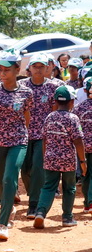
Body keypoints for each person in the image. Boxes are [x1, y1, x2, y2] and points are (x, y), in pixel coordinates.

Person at [0, 53, 33, 241]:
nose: (2, 73)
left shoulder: (26, 92)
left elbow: (26, 117)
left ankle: (2, 223)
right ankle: (8, 205)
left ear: (17, 70)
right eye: (0, 70)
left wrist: (24, 135)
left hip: (18, 140)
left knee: (9, 177)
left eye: (7, 70)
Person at [34, 85, 86, 228]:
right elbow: (78, 140)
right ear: (71, 102)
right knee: (69, 188)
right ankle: (67, 218)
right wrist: (83, 160)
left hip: (51, 158)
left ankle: (40, 213)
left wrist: (46, 157)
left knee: (48, 186)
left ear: (56, 101)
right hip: (68, 159)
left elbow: (44, 139)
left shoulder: (49, 117)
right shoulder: (73, 118)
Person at [21, 53, 60, 218]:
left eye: (41, 66)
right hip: (21, 133)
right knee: (25, 168)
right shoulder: (21, 85)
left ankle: (34, 204)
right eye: (35, 66)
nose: (38, 69)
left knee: (38, 167)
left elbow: (54, 111)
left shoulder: (52, 87)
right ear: (29, 68)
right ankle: (33, 192)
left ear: (46, 68)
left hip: (42, 136)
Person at [74, 77, 92, 213]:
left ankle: (87, 203)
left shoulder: (79, 107)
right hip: (85, 147)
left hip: (83, 147)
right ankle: (90, 202)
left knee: (86, 174)